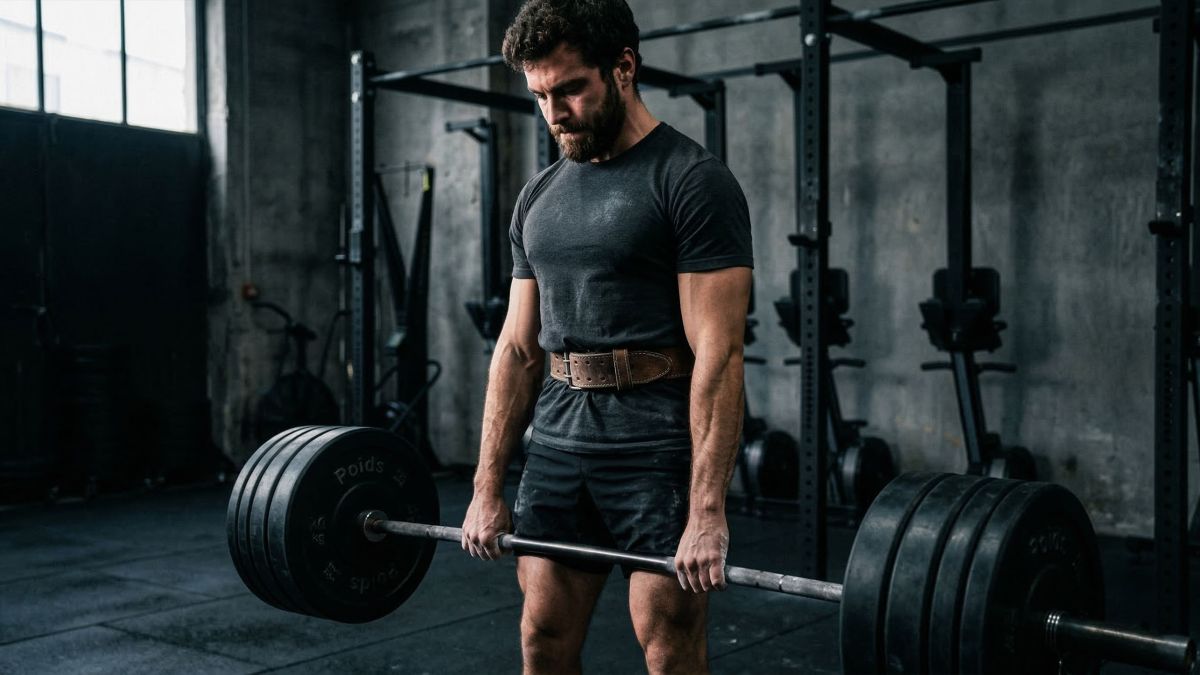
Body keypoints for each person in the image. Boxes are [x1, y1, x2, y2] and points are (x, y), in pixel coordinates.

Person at [460, 1, 753, 673]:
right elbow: (516, 349)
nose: (553, 111)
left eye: (569, 88)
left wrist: (706, 510)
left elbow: (720, 352)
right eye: (539, 95)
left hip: (654, 441)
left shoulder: (690, 180)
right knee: (543, 638)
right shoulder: (539, 196)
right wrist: (486, 485)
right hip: (560, 435)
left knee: (668, 647)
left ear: (623, 67)